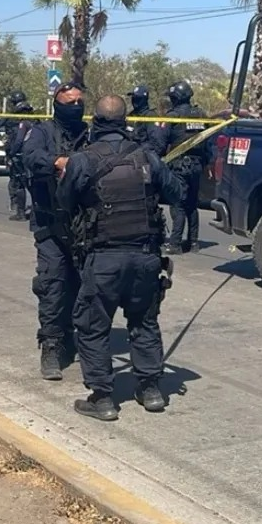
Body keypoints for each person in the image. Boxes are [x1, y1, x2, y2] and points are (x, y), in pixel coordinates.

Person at [58, 94, 181, 421]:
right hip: (145, 258)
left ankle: (102, 398)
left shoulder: (82, 160)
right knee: (143, 321)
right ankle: (151, 389)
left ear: (95, 122)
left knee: (93, 326)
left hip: (104, 259)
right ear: (126, 122)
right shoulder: (147, 158)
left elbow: (64, 201)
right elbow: (177, 193)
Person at [21, 81, 89, 380]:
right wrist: (56, 161)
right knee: (53, 285)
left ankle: (75, 336)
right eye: (69, 101)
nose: (75, 106)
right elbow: (30, 157)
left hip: (86, 226)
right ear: (56, 103)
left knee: (84, 287)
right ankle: (51, 344)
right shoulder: (42, 132)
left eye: (79, 102)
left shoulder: (91, 134)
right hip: (51, 224)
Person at [162, 81, 210, 254]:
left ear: (175, 98)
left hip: (179, 165)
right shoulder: (200, 114)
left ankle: (174, 244)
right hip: (197, 165)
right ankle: (194, 242)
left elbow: (162, 142)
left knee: (178, 204)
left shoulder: (172, 116)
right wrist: (207, 162)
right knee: (192, 204)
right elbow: (208, 141)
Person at [0, 90, 33, 221]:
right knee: (29, 183)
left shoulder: (16, 117)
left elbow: (19, 138)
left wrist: (10, 150)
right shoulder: (31, 115)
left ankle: (20, 211)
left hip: (17, 153)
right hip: (29, 152)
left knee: (18, 182)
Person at [127, 85, 166, 155]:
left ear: (144, 99)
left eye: (137, 98)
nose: (134, 100)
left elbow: (158, 144)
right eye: (133, 97)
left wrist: (140, 151)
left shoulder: (151, 117)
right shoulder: (130, 116)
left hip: (144, 157)